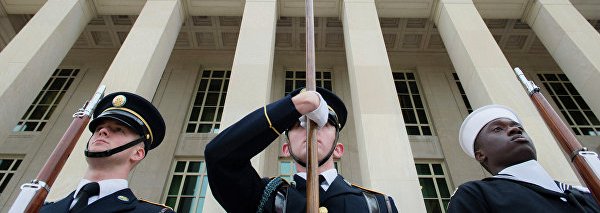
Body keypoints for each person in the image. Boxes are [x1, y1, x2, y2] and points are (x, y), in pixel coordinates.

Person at [205, 87, 398, 213]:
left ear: (338, 149)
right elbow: (219, 157)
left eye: (323, 123)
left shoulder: (380, 205)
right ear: (286, 149)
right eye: (298, 124)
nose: (310, 128)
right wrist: (298, 105)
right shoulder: (264, 198)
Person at [448, 104, 600, 213]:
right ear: (480, 155)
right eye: (498, 129)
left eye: (519, 128)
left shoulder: (587, 194)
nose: (515, 130)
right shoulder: (476, 195)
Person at [40, 91, 175, 213]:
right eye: (99, 127)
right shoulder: (40, 209)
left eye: (118, 129)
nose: (102, 131)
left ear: (137, 153)